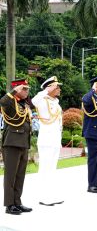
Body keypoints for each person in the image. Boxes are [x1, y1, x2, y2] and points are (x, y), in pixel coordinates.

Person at [0, 79, 33, 215]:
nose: (26, 91)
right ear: (17, 89)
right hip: (12, 142)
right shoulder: (10, 102)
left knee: (20, 175)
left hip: (23, 143)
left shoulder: (24, 104)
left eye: (27, 89)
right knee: (10, 175)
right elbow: (2, 101)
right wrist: (13, 91)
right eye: (24, 89)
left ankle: (17, 202)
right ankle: (9, 205)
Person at [31, 76, 64, 206]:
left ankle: (51, 194)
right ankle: (44, 197)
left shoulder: (55, 101)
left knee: (52, 168)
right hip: (46, 139)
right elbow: (33, 100)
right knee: (45, 168)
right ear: (49, 87)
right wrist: (46, 90)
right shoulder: (42, 99)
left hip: (55, 139)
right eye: (57, 87)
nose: (59, 89)